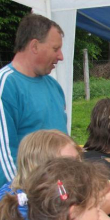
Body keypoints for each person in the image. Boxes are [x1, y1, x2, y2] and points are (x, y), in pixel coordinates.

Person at [0, 14, 68, 187]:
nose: (61, 57)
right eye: (55, 49)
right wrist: (26, 201)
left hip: (59, 191)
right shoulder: (6, 85)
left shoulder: (53, 85)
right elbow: (4, 158)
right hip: (31, 199)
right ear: (34, 46)